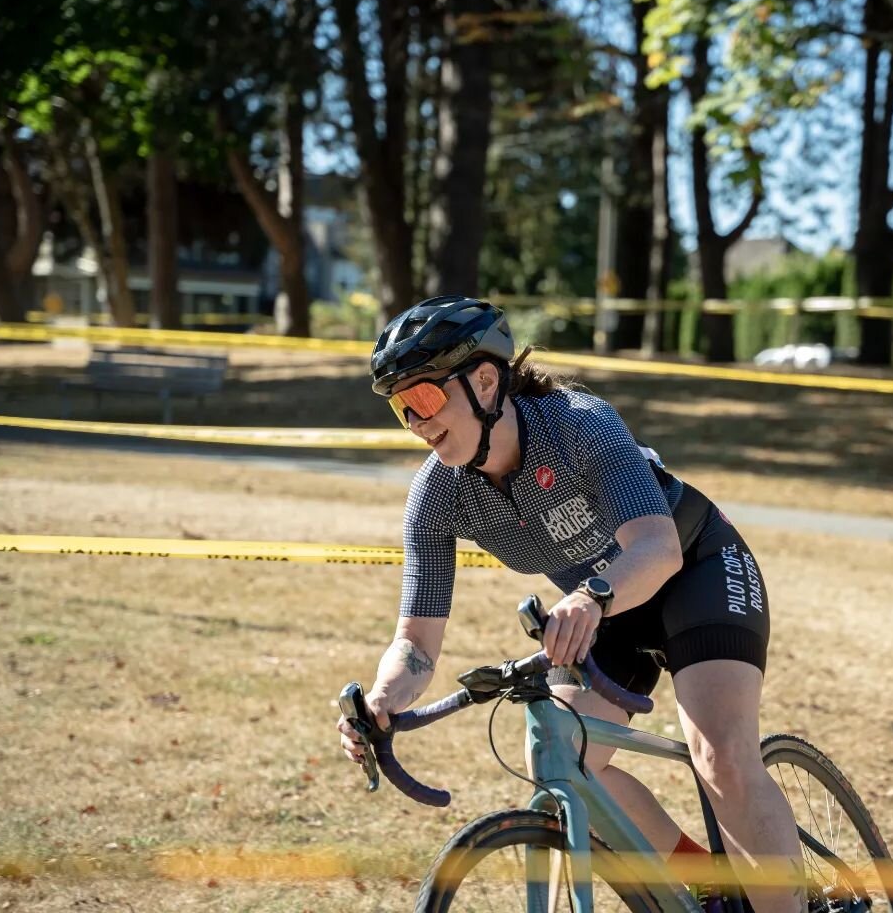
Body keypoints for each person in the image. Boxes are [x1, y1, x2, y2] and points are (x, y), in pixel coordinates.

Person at [336, 295, 802, 913]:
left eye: (423, 399)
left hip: (694, 570)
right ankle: (708, 883)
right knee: (565, 763)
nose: (418, 424)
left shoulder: (577, 423)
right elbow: (416, 642)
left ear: (483, 380)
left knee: (720, 757)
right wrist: (383, 698)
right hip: (606, 610)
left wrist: (590, 596)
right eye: (402, 410)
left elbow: (656, 548)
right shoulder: (436, 492)